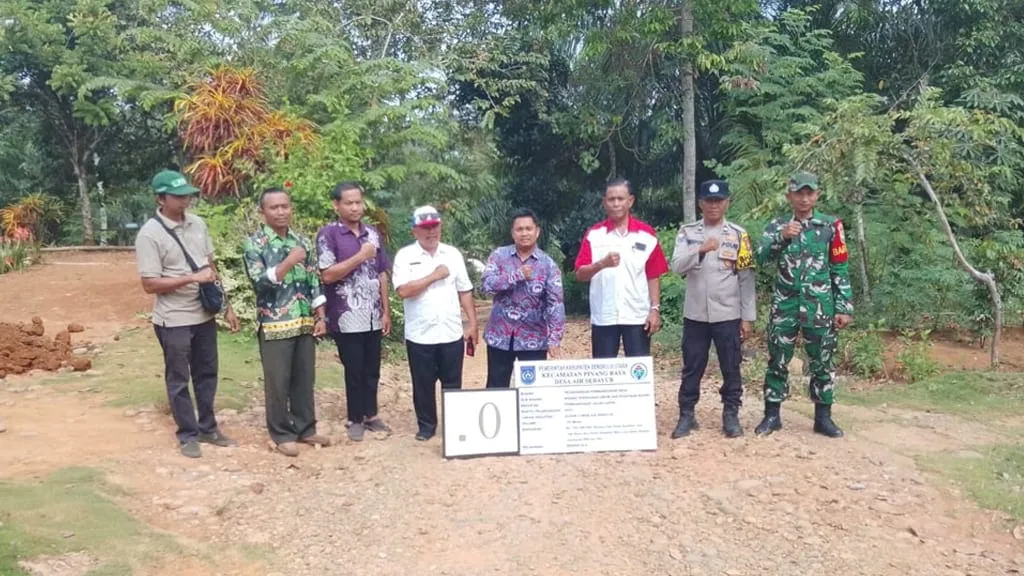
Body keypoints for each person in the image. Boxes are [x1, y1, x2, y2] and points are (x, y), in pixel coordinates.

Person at [135, 169, 240, 459]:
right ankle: (187, 434)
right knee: (179, 379)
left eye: (187, 196)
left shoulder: (198, 224)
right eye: (178, 196)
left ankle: (208, 428)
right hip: (173, 319)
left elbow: (210, 266)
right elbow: (149, 284)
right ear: (160, 199)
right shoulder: (149, 235)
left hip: (204, 315)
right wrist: (191, 278)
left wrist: (227, 305)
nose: (185, 201)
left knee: (207, 374)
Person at [754, 171, 853, 438]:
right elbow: (759, 257)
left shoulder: (831, 226)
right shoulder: (777, 225)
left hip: (819, 307)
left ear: (817, 195)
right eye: (799, 193)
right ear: (790, 196)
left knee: (822, 362)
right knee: (777, 360)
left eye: (810, 193)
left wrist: (844, 307)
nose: (804, 199)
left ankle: (823, 418)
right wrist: (782, 237)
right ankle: (772, 415)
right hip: (785, 306)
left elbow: (840, 267)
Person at [242, 187, 333, 457]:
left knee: (304, 378)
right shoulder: (255, 244)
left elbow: (314, 280)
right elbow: (259, 283)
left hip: (304, 321)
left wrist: (321, 316)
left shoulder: (301, 241)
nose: (281, 212)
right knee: (278, 381)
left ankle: (306, 428)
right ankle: (281, 433)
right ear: (262, 212)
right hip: (275, 324)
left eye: (285, 206)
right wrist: (289, 262)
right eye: (274, 207)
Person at [669, 180, 756, 439]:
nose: (713, 206)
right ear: (700, 203)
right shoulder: (687, 233)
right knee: (692, 365)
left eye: (719, 201)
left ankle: (731, 414)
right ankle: (687, 414)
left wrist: (747, 317)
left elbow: (746, 278)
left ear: (727, 202)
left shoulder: (739, 235)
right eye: (709, 201)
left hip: (728, 314)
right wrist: (700, 249)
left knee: (731, 365)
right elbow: (676, 266)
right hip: (696, 313)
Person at [392, 206, 479, 441]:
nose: (431, 232)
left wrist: (472, 323)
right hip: (420, 334)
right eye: (425, 228)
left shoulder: (452, 254)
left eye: (435, 227)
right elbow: (403, 291)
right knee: (423, 384)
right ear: (414, 231)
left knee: (453, 382)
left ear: (441, 227)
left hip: (451, 332)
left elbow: (464, 290)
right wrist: (434, 276)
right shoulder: (405, 256)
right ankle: (426, 426)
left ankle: (453, 427)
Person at [316, 182, 393, 442]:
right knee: (354, 368)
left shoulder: (372, 233)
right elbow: (327, 275)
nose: (355, 207)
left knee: (372, 368)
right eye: (348, 203)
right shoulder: (328, 235)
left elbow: (381, 273)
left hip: (373, 314)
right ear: (336, 205)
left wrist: (386, 311)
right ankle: (355, 418)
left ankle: (371, 415)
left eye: (358, 202)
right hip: (346, 315)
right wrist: (360, 256)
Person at [573, 178, 669, 358]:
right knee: (604, 370)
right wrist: (601, 264)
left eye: (620, 199)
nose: (616, 204)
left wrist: (655, 309)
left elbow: (653, 274)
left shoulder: (646, 235)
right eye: (611, 199)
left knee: (638, 370)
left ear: (630, 201)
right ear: (604, 202)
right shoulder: (594, 235)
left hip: (637, 316)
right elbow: (580, 274)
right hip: (604, 315)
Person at [480, 208, 566, 388]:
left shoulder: (548, 265)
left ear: (537, 231)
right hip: (500, 337)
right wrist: (515, 276)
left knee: (533, 392)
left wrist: (555, 339)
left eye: (529, 228)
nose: (524, 233)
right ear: (512, 233)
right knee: (496, 387)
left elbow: (556, 304)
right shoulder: (499, 256)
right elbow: (486, 285)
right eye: (519, 229)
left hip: (534, 339)